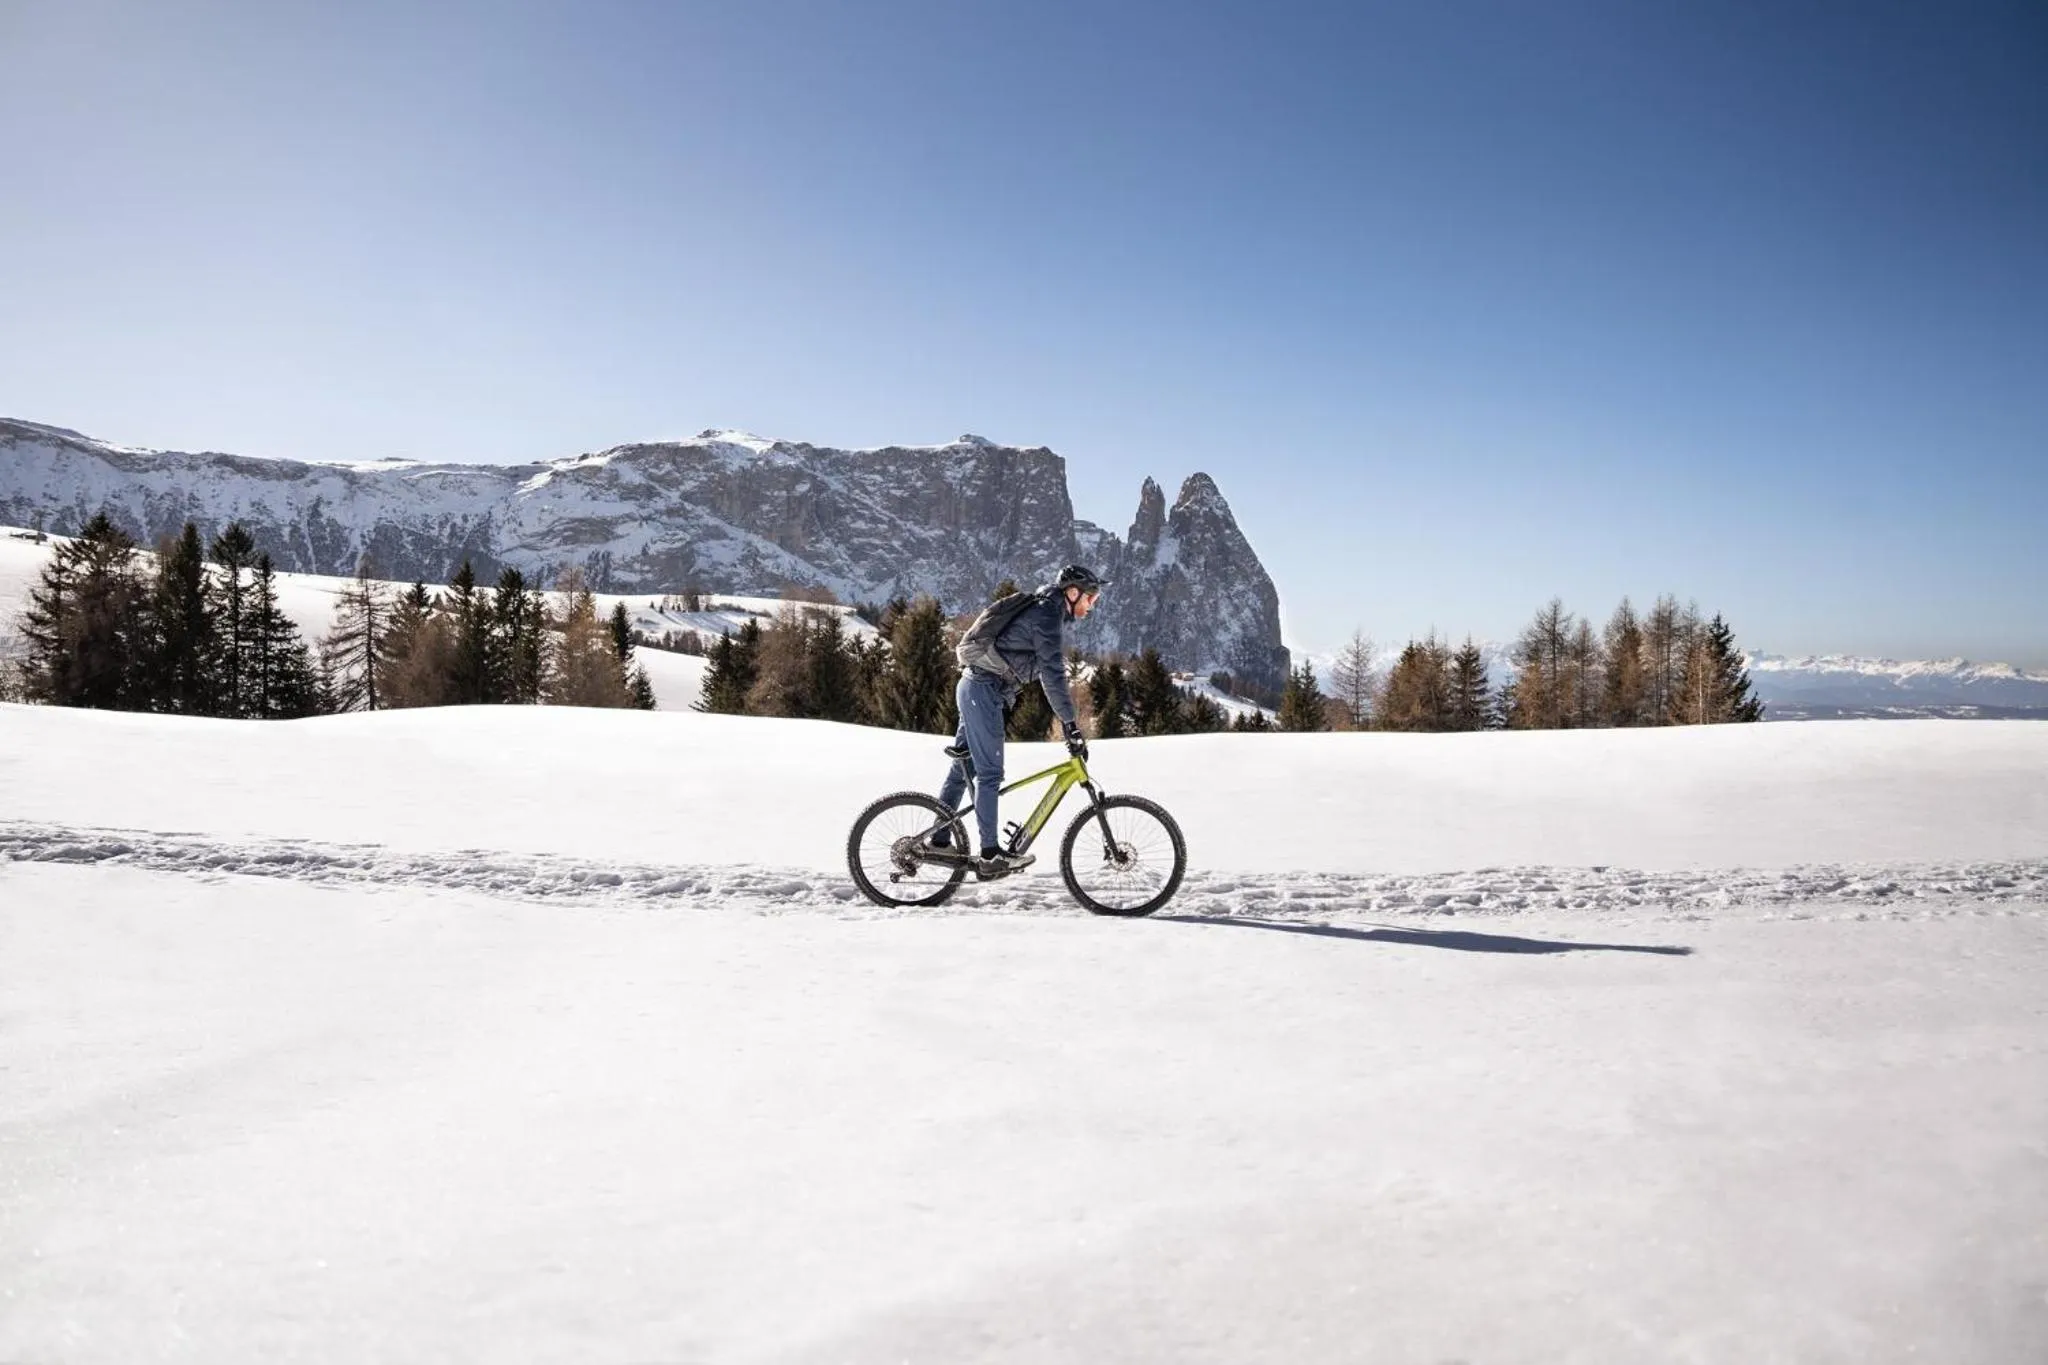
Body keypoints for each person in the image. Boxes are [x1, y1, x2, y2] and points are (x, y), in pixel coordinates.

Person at [935, 564, 1104, 877]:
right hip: (982, 690)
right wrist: (1069, 723)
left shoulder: (1047, 611)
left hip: (978, 689)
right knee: (989, 774)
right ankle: (989, 856)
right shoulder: (1047, 615)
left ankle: (938, 840)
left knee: (964, 770)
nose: (1092, 605)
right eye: (1090, 598)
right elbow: (1052, 674)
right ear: (1072, 592)